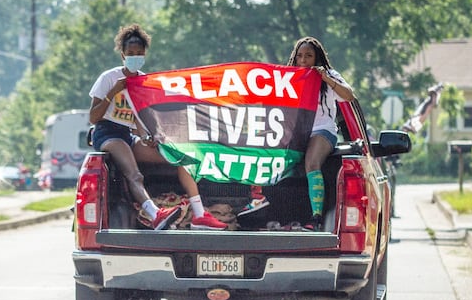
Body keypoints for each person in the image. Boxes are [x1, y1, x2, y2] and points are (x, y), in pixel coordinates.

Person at [89, 24, 227, 230]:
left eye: (139, 53)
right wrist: (115, 90)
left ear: (144, 54)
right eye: (131, 53)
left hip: (128, 135)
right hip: (107, 133)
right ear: (122, 55)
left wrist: (147, 137)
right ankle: (155, 214)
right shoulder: (109, 78)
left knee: (180, 158)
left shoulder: (144, 81)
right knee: (134, 174)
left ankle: (199, 214)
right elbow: (93, 117)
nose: (135, 57)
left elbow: (138, 120)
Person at [238, 36, 355, 231]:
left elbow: (349, 95)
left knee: (311, 163)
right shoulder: (288, 78)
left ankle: (316, 217)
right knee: (267, 157)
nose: (303, 60)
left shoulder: (329, 75)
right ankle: (261, 203)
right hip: (295, 132)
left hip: (322, 130)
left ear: (317, 58)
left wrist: (325, 78)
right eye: (299, 56)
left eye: (308, 56)